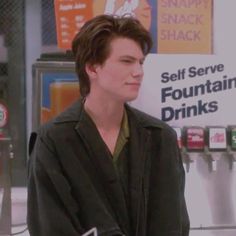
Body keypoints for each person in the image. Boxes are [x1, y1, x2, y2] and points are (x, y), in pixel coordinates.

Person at [27, 14, 189, 236]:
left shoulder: (160, 138)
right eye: (126, 61)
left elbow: (172, 224)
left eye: (140, 62)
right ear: (92, 68)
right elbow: (50, 226)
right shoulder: (54, 141)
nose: (138, 72)